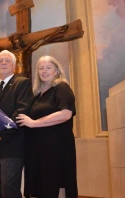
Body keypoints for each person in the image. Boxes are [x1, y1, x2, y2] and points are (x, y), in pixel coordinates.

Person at [16, 56, 78, 198]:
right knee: (40, 189)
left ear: (56, 71)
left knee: (55, 186)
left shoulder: (62, 87)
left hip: (56, 149)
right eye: (41, 68)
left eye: (48, 67)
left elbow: (65, 114)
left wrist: (34, 123)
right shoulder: (37, 95)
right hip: (38, 150)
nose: (44, 71)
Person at [0, 50, 33, 198]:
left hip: (12, 145)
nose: (3, 63)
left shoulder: (22, 83)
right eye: (0, 61)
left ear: (14, 67)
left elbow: (22, 112)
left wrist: (0, 134)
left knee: (9, 189)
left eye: (7, 60)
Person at [0, 24, 69, 78]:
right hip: (13, 78)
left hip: (24, 76)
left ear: (21, 41)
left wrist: (57, 32)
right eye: (15, 39)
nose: (17, 41)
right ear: (12, 41)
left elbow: (41, 40)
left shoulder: (25, 50)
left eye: (18, 39)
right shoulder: (10, 53)